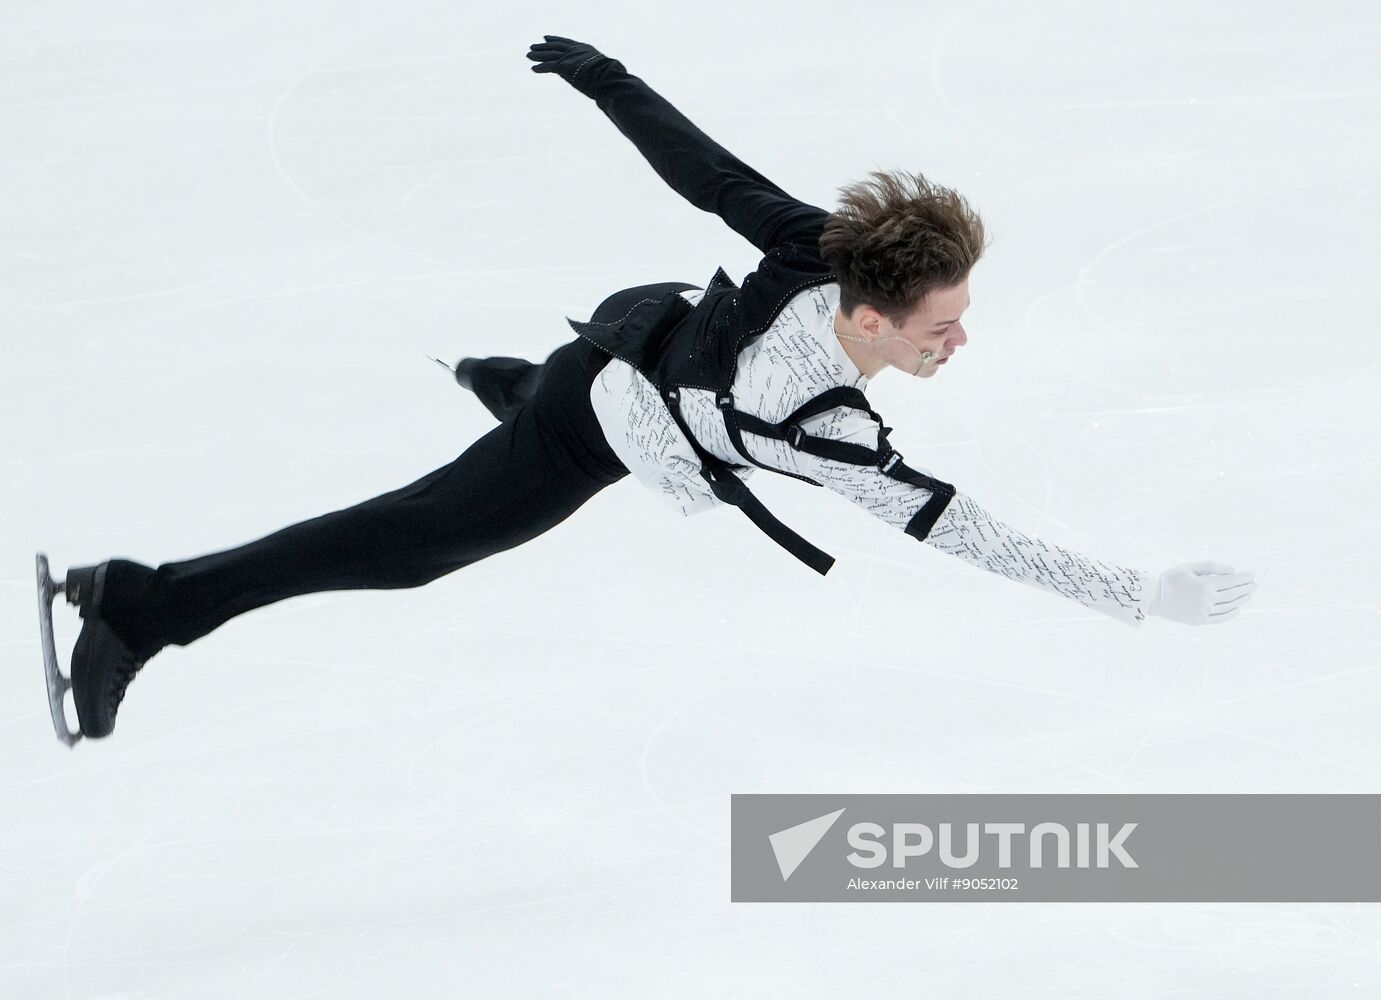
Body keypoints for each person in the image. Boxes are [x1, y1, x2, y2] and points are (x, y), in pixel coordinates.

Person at [47, 36, 1255, 744]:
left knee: (545, 429)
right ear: (873, 312)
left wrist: (1132, 591)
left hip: (634, 397)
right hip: (596, 423)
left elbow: (964, 529)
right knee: (416, 543)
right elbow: (702, 169)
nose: (960, 341)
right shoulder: (827, 396)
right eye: (944, 324)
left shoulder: (817, 284)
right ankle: (143, 602)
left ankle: (505, 383)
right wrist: (606, 79)